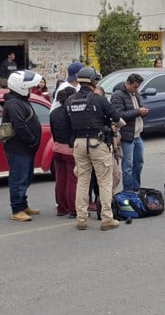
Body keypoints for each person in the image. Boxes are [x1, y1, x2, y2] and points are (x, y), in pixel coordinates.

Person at [64, 67, 124, 231]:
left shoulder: (70, 101)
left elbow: (67, 124)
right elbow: (118, 119)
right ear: (93, 81)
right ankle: (107, 219)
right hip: (97, 143)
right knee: (104, 182)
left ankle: (81, 219)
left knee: (82, 181)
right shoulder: (99, 99)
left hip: (79, 144)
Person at [1, 70, 43, 222]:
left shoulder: (20, 101)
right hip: (19, 148)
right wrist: (31, 140)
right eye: (29, 87)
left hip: (25, 148)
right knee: (19, 178)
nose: (31, 90)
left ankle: (23, 205)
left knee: (26, 177)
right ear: (21, 86)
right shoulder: (14, 103)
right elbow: (20, 126)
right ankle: (17, 209)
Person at [110, 73, 148, 190]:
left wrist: (143, 112)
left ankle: (136, 188)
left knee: (139, 164)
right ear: (128, 83)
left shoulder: (135, 94)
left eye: (138, 87)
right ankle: (128, 190)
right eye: (135, 87)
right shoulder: (118, 95)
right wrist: (138, 112)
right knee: (128, 166)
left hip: (137, 135)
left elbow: (139, 109)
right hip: (127, 136)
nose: (136, 89)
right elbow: (118, 115)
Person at [50, 86, 77, 218]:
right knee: (72, 180)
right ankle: (73, 209)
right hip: (69, 149)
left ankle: (61, 208)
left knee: (60, 179)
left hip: (57, 147)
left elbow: (54, 133)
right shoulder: (71, 113)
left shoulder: (53, 113)